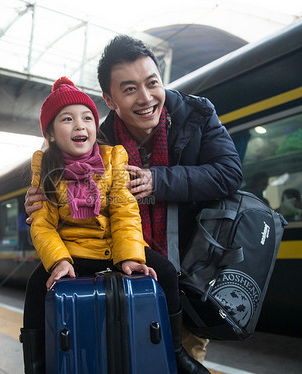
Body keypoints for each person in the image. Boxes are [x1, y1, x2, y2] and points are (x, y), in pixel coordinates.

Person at [26, 35, 243, 363]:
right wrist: (43, 199)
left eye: (152, 83)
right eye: (129, 89)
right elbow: (84, 212)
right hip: (121, 277)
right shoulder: (97, 144)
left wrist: (159, 180)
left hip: (188, 271)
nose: (146, 98)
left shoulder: (197, 114)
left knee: (182, 359)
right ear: (110, 100)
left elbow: (229, 173)